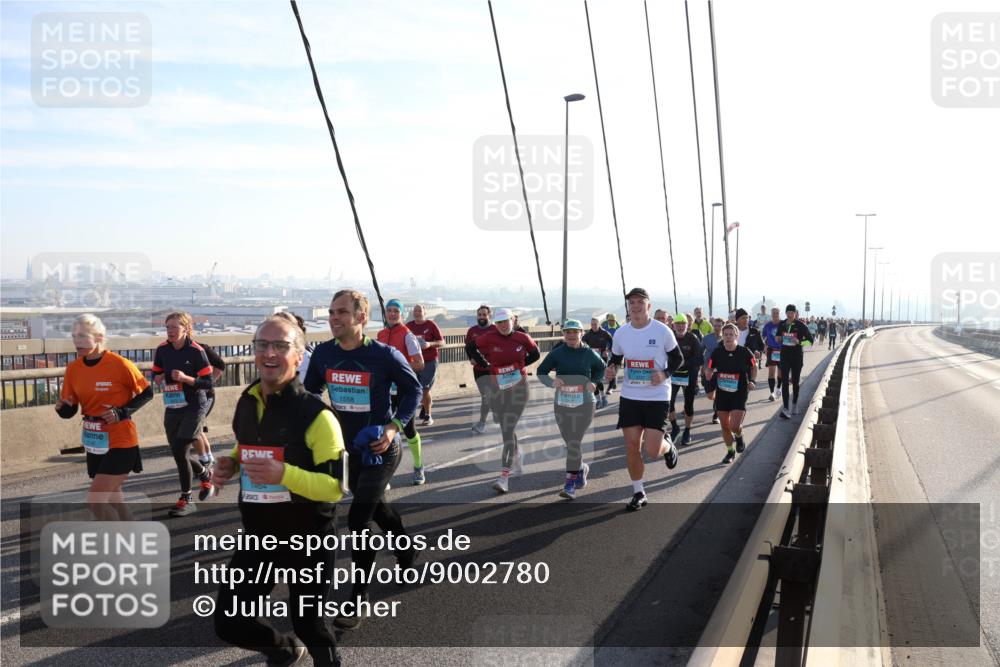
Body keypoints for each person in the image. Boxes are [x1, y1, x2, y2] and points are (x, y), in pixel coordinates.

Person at [212, 315, 344, 666]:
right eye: (262, 345)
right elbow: (250, 445)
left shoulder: (319, 417)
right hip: (259, 534)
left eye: (281, 346)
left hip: (308, 536)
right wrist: (232, 463)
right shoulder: (248, 399)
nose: (269, 353)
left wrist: (283, 474)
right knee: (229, 621)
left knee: (310, 624)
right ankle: (284, 651)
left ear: (299, 356)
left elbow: (334, 488)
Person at [304, 289, 421, 629]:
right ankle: (406, 549)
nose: (333, 317)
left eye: (341, 312)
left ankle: (358, 597)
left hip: (380, 449)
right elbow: (311, 392)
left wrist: (393, 427)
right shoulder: (324, 353)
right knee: (378, 510)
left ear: (360, 318)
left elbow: (413, 390)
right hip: (346, 450)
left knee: (357, 521)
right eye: (330, 312)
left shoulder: (384, 355)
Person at [55, 314, 152, 521]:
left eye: (82, 335)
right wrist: (63, 408)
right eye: (74, 336)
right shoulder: (73, 369)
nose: (76, 341)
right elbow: (70, 410)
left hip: (121, 441)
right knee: (114, 499)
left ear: (98, 337)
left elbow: (147, 392)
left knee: (95, 501)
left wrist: (121, 412)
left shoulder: (120, 364)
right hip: (94, 441)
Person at [604, 288, 684, 511]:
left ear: (648, 306)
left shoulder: (662, 331)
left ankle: (668, 448)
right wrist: (610, 371)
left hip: (657, 396)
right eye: (632, 303)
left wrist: (664, 374)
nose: (636, 306)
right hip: (630, 395)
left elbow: (678, 358)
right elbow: (616, 359)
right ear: (628, 307)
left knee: (652, 450)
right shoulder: (621, 333)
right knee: (631, 447)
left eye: (641, 302)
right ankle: (638, 492)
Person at [466, 308, 541, 493]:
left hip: (519, 390)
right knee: (505, 427)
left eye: (506, 321)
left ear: (512, 320)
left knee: (507, 430)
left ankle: (503, 477)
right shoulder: (489, 337)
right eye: (499, 322)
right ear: (496, 324)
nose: (503, 325)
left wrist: (520, 366)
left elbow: (536, 354)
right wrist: (485, 364)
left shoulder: (522, 338)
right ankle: (517, 453)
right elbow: (470, 347)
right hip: (498, 390)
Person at [152, 312, 216, 517]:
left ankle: (186, 498)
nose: (169, 331)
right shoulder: (162, 349)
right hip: (172, 405)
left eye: (174, 327)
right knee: (179, 453)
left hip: (194, 406)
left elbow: (208, 383)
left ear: (185, 328)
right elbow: (155, 372)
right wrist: (158, 378)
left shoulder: (196, 351)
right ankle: (204, 473)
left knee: (181, 450)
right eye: (167, 327)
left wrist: (187, 378)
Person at [536, 319, 605, 499]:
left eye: (575, 332)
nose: (572, 336)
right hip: (562, 404)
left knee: (574, 442)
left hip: (585, 403)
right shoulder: (557, 353)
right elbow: (541, 371)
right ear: (564, 334)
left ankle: (569, 484)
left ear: (582, 333)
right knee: (570, 443)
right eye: (568, 332)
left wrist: (594, 382)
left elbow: (601, 369)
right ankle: (581, 468)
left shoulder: (588, 353)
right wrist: (552, 382)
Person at [377, 299, 428, 485]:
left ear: (401, 313)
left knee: (408, 429)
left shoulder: (407, 335)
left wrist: (399, 370)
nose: (392, 314)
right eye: (389, 310)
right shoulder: (381, 334)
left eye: (395, 311)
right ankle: (385, 474)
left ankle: (418, 466)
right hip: (385, 391)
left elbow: (420, 364)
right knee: (383, 430)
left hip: (404, 389)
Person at [706, 323, 758, 464]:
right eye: (726, 335)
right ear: (722, 336)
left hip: (739, 391)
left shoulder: (745, 351)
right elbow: (710, 367)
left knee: (734, 426)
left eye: (731, 334)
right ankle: (730, 452)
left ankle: (739, 436)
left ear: (736, 336)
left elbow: (754, 366)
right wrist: (708, 373)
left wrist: (752, 380)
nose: (728, 337)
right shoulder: (717, 352)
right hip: (722, 392)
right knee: (724, 425)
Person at [189, 329, 226, 499]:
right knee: (198, 430)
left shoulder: (202, 348)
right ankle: (208, 463)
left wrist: (209, 383)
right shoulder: (172, 352)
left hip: (205, 395)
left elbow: (221, 365)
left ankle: (206, 465)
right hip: (187, 398)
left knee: (194, 430)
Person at [668, 314, 705, 447]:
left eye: (683, 323)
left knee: (688, 405)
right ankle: (674, 427)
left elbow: (700, 359)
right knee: (668, 403)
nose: (680, 326)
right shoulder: (670, 337)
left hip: (689, 375)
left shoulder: (692, 338)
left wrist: (683, 363)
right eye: (678, 324)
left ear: (687, 325)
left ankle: (687, 431)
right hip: (673, 375)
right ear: (673, 325)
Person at [406, 303, 445, 426]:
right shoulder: (408, 326)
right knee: (415, 388)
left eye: (419, 310)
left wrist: (429, 344)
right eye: (415, 311)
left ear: (425, 312)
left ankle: (428, 416)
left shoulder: (431, 325)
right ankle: (424, 406)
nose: (417, 313)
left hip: (429, 361)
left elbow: (442, 342)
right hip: (414, 362)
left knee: (424, 388)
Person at [777, 304, 814, 419]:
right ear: (786, 313)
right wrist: (778, 339)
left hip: (797, 357)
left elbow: (810, 341)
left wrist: (799, 342)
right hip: (784, 356)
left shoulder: (801, 325)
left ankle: (794, 404)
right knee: (784, 381)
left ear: (795, 313)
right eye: (788, 312)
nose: (790, 314)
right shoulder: (782, 324)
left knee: (795, 381)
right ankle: (786, 408)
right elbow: (778, 337)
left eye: (792, 312)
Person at [465, 305, 497, 434]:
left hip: (493, 368)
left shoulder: (495, 329)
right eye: (480, 315)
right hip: (479, 369)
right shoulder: (472, 331)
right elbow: (467, 346)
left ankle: (482, 423)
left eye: (484, 315)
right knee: (486, 395)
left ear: (489, 316)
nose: (482, 317)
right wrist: (471, 358)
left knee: (489, 396)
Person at [582, 317, 614, 408]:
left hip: (602, 359)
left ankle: (603, 397)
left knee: (598, 379)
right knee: (593, 379)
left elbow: (613, 342)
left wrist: (607, 350)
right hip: (592, 359)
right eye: (592, 324)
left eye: (595, 324)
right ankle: (598, 399)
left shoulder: (604, 333)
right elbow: (581, 343)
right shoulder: (588, 335)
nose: (593, 326)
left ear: (599, 324)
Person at [701, 318, 724, 424]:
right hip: (708, 369)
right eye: (715, 325)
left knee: (720, 392)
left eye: (719, 325)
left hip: (721, 370)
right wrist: (701, 367)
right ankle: (716, 399)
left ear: (723, 326)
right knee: (710, 395)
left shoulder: (726, 338)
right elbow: (700, 352)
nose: (717, 328)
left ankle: (716, 415)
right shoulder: (706, 338)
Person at [761, 307, 785, 402]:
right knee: (771, 372)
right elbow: (763, 337)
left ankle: (778, 389)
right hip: (771, 350)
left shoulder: (784, 324)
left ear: (779, 314)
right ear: (771, 314)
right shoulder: (767, 325)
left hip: (782, 350)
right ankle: (772, 393)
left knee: (780, 372)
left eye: (777, 313)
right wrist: (764, 347)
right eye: (774, 313)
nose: (775, 314)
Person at [601, 313, 621, 394]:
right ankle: (611, 385)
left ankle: (611, 386)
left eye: (612, 320)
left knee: (615, 368)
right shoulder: (605, 328)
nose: (611, 322)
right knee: (610, 368)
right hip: (608, 351)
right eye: (609, 320)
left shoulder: (619, 329)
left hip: (618, 352)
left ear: (615, 321)